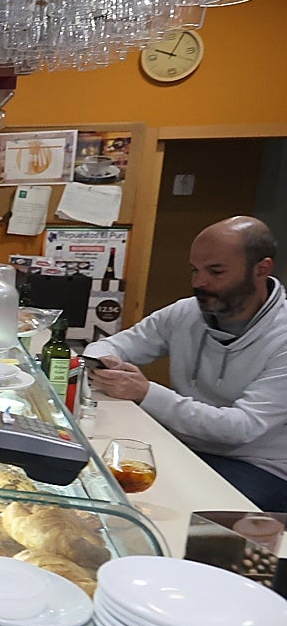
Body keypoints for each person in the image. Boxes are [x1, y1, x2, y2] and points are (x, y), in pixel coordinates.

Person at [84, 216, 287, 512]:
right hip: (185, 445)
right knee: (96, 478)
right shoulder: (186, 313)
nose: (198, 283)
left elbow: (242, 427)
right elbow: (113, 345)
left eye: (215, 271)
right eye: (195, 270)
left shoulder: (281, 337)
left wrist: (145, 393)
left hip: (257, 465)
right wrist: (104, 362)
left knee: (167, 512)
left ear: (261, 269)